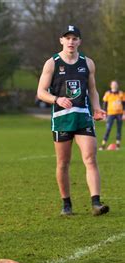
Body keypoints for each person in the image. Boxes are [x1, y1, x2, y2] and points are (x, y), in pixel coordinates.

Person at [37, 25, 110, 216]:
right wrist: (56, 99)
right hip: (62, 119)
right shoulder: (51, 63)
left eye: (75, 38)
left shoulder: (88, 63)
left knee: (90, 158)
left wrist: (96, 107)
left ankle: (96, 203)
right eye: (67, 38)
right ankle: (66, 204)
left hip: (83, 117)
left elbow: (92, 90)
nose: (71, 42)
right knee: (63, 163)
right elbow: (41, 92)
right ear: (61, 40)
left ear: (79, 41)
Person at [99, 80, 124, 150]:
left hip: (119, 113)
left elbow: (124, 104)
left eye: (115, 84)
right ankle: (103, 145)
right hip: (110, 113)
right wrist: (104, 113)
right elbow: (105, 104)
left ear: (117, 85)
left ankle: (118, 145)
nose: (114, 85)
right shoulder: (108, 94)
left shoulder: (121, 93)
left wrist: (124, 114)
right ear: (111, 85)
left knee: (119, 129)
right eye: (113, 84)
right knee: (108, 128)